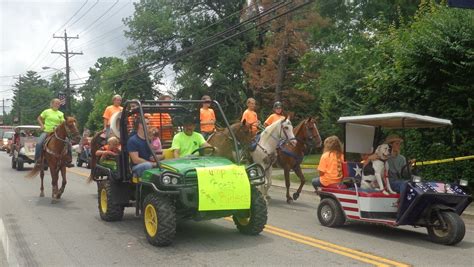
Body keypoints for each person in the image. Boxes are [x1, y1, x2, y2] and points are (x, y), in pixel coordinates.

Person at [35, 98, 74, 167]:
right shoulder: (46, 111)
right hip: (47, 131)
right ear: (52, 104)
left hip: (57, 133)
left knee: (69, 143)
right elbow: (39, 118)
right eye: (56, 103)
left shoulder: (61, 113)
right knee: (39, 143)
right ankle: (38, 160)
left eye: (59, 104)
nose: (57, 105)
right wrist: (42, 125)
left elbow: (63, 122)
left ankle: (69, 160)